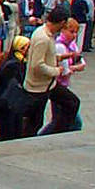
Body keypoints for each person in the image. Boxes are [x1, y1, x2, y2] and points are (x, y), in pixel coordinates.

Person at [22, 7, 69, 138]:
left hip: (46, 84)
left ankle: (56, 132)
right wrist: (56, 71)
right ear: (61, 22)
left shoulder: (44, 33)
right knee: (34, 122)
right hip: (39, 87)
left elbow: (44, 57)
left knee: (71, 102)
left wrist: (60, 58)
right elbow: (37, 65)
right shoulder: (44, 38)